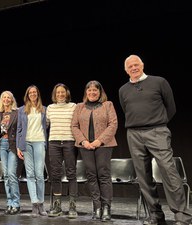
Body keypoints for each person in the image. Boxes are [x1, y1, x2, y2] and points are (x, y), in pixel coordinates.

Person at [119, 54, 192, 225]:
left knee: (169, 172)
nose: (134, 68)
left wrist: (158, 123)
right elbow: (126, 110)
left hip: (157, 131)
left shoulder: (159, 82)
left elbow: (171, 107)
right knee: (143, 177)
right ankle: (156, 215)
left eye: (136, 65)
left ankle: (182, 215)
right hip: (134, 134)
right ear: (126, 70)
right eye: (130, 67)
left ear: (142, 65)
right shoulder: (123, 90)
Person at [71, 80, 118, 222]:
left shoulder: (107, 105)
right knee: (91, 176)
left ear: (100, 92)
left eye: (95, 90)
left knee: (103, 175)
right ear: (86, 92)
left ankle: (106, 208)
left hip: (104, 145)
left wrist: (99, 141)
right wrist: (84, 141)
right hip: (85, 146)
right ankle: (97, 207)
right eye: (89, 90)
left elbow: (113, 124)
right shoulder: (79, 107)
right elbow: (74, 126)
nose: (92, 92)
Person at [46, 83, 78, 218]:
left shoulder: (73, 106)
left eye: (62, 92)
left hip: (69, 142)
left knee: (71, 173)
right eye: (58, 92)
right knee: (55, 174)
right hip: (53, 143)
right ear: (55, 94)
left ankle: (72, 206)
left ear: (67, 93)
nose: (60, 94)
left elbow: (77, 124)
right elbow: (45, 125)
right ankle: (57, 206)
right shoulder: (50, 108)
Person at [16, 85, 48, 217]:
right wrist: (18, 146)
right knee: (30, 174)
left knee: (39, 174)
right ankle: (34, 203)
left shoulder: (44, 109)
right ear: (27, 95)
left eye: (35, 92)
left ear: (38, 94)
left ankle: (41, 203)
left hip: (39, 141)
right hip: (26, 143)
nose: (33, 94)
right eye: (30, 92)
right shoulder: (22, 110)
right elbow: (19, 129)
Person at [0, 90, 21, 215]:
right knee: (5, 175)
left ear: (12, 100)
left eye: (8, 97)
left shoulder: (17, 112)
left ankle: (16, 203)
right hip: (2, 144)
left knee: (11, 174)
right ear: (1, 99)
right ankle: (9, 202)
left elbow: (21, 129)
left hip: (13, 145)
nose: (6, 99)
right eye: (4, 97)